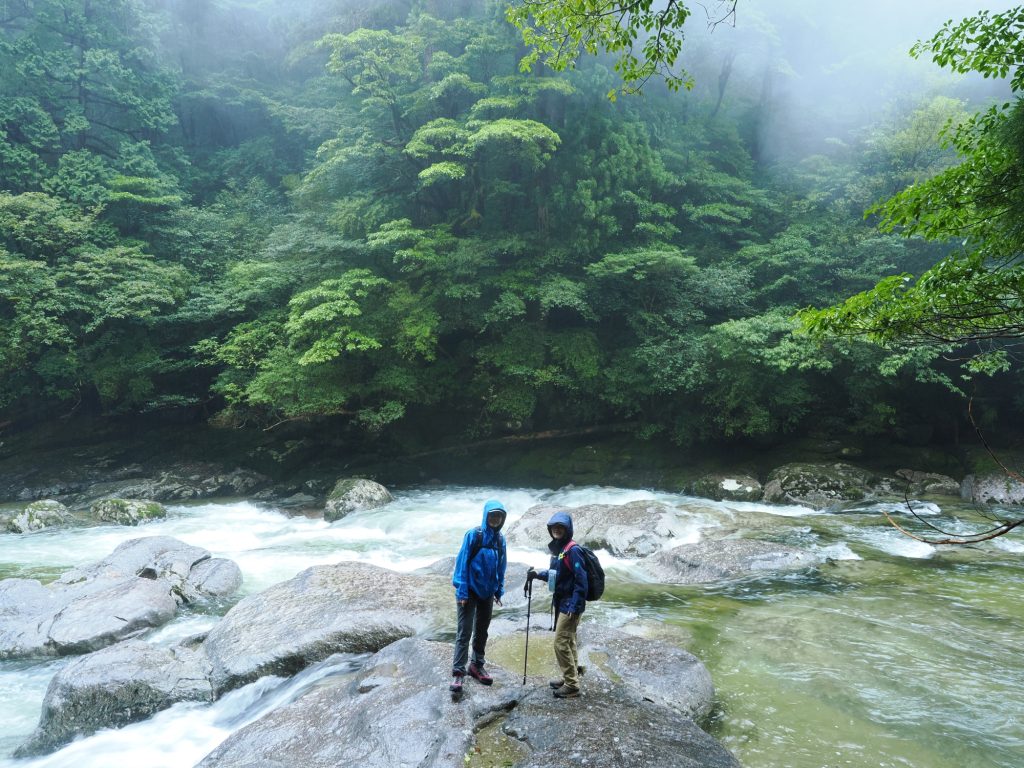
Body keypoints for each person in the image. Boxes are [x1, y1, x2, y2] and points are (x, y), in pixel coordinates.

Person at [527, 510, 587, 699]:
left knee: (560, 643)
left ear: (567, 529)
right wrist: (538, 574)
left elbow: (581, 581)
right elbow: (557, 576)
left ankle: (572, 685)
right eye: (554, 527)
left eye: (561, 527)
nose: (557, 530)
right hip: (562, 601)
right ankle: (570, 676)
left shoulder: (573, 550)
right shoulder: (560, 550)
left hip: (570, 604)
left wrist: (574, 606)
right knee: (569, 641)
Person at [450, 498, 507, 693]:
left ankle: (476, 665)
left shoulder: (500, 540)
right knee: (464, 632)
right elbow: (462, 563)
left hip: (488, 592)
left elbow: (501, 565)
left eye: (499, 516)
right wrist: (462, 590)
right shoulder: (474, 535)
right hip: (470, 591)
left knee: (482, 630)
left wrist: (499, 589)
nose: (495, 519)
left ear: (503, 518)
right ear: (486, 516)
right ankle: (458, 672)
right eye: (492, 515)